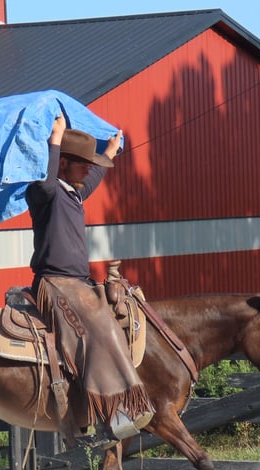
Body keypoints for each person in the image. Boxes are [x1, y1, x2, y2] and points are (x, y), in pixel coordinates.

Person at [25, 114, 154, 446]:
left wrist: (109, 152)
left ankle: (113, 405)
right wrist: (55, 139)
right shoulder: (45, 192)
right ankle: (102, 415)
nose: (87, 169)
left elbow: (93, 177)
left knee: (112, 322)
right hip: (55, 284)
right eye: (81, 164)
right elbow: (46, 180)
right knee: (94, 331)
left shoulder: (72, 194)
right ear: (62, 163)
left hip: (78, 284)